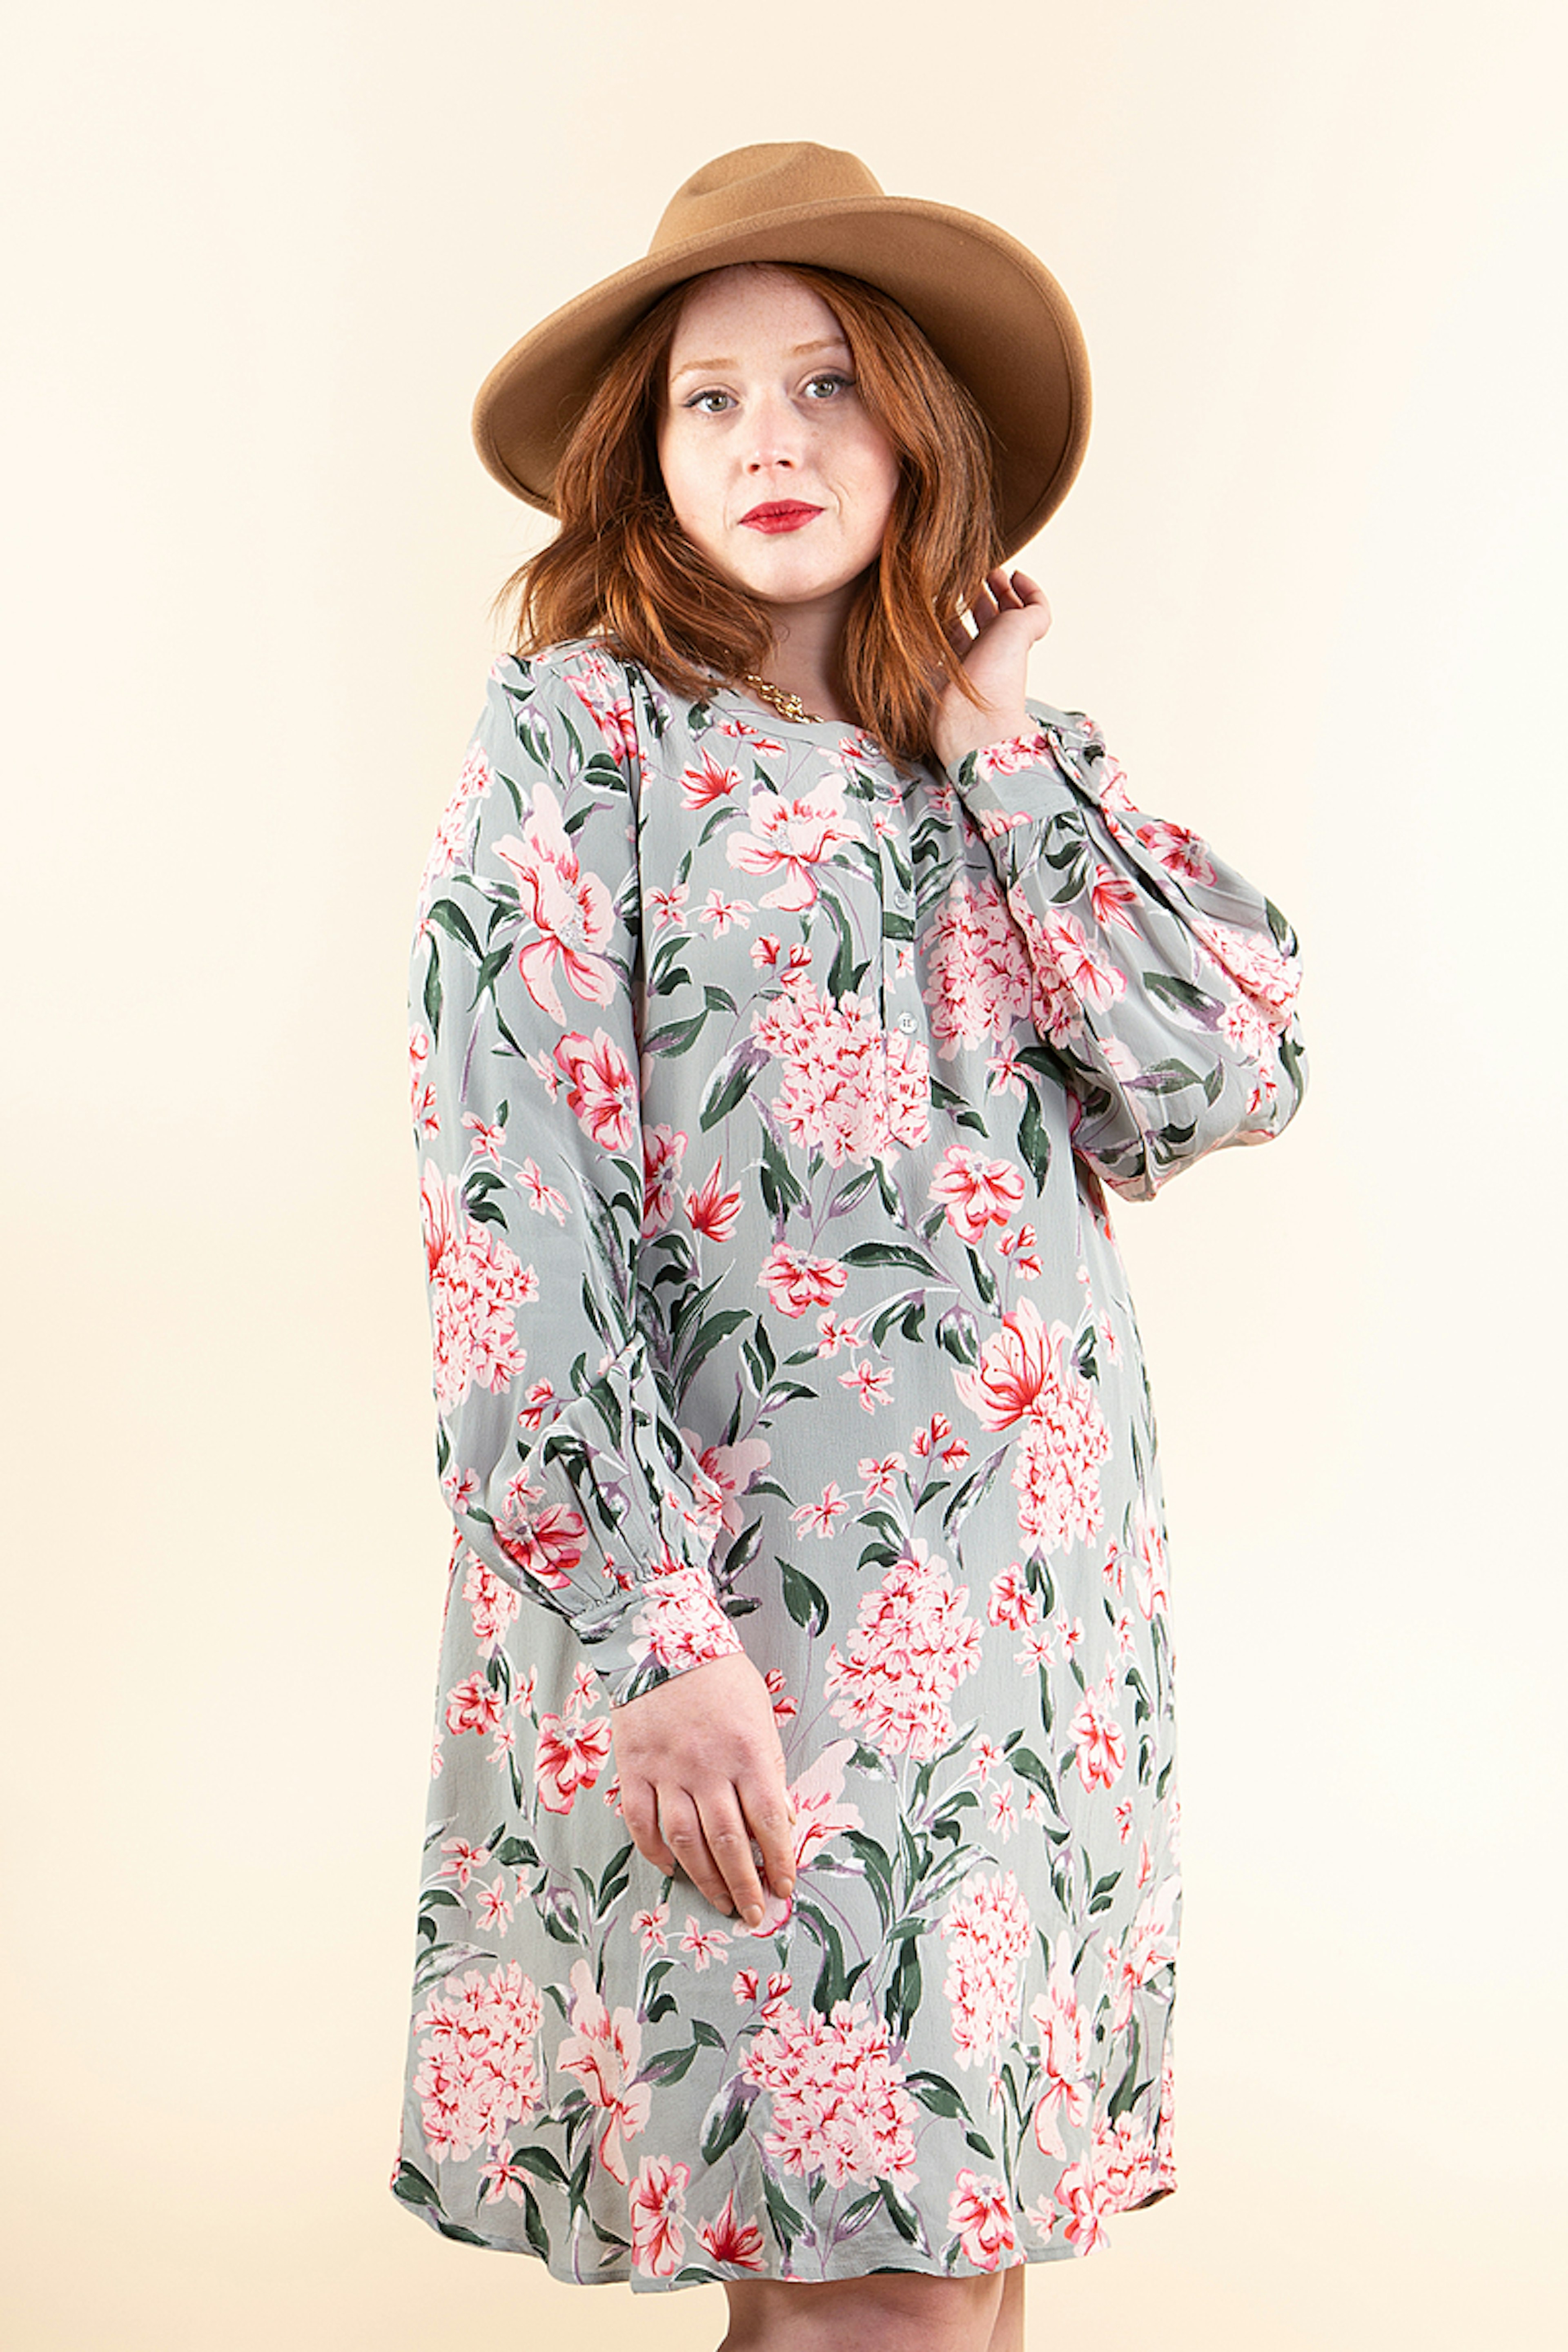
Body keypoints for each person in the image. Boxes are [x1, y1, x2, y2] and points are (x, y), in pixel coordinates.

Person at [393, 143, 1305, 2352]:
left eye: (826, 385)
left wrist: (993, 742)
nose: (769, 441)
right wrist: (652, 1636)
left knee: (959, 2276)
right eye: (709, 399)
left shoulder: (1010, 766)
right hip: (743, 1628)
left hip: (1027, 1632)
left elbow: (1224, 1071)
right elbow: (515, 1218)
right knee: (854, 2296)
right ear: (644, 453)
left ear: (918, 428)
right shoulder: (580, 738)